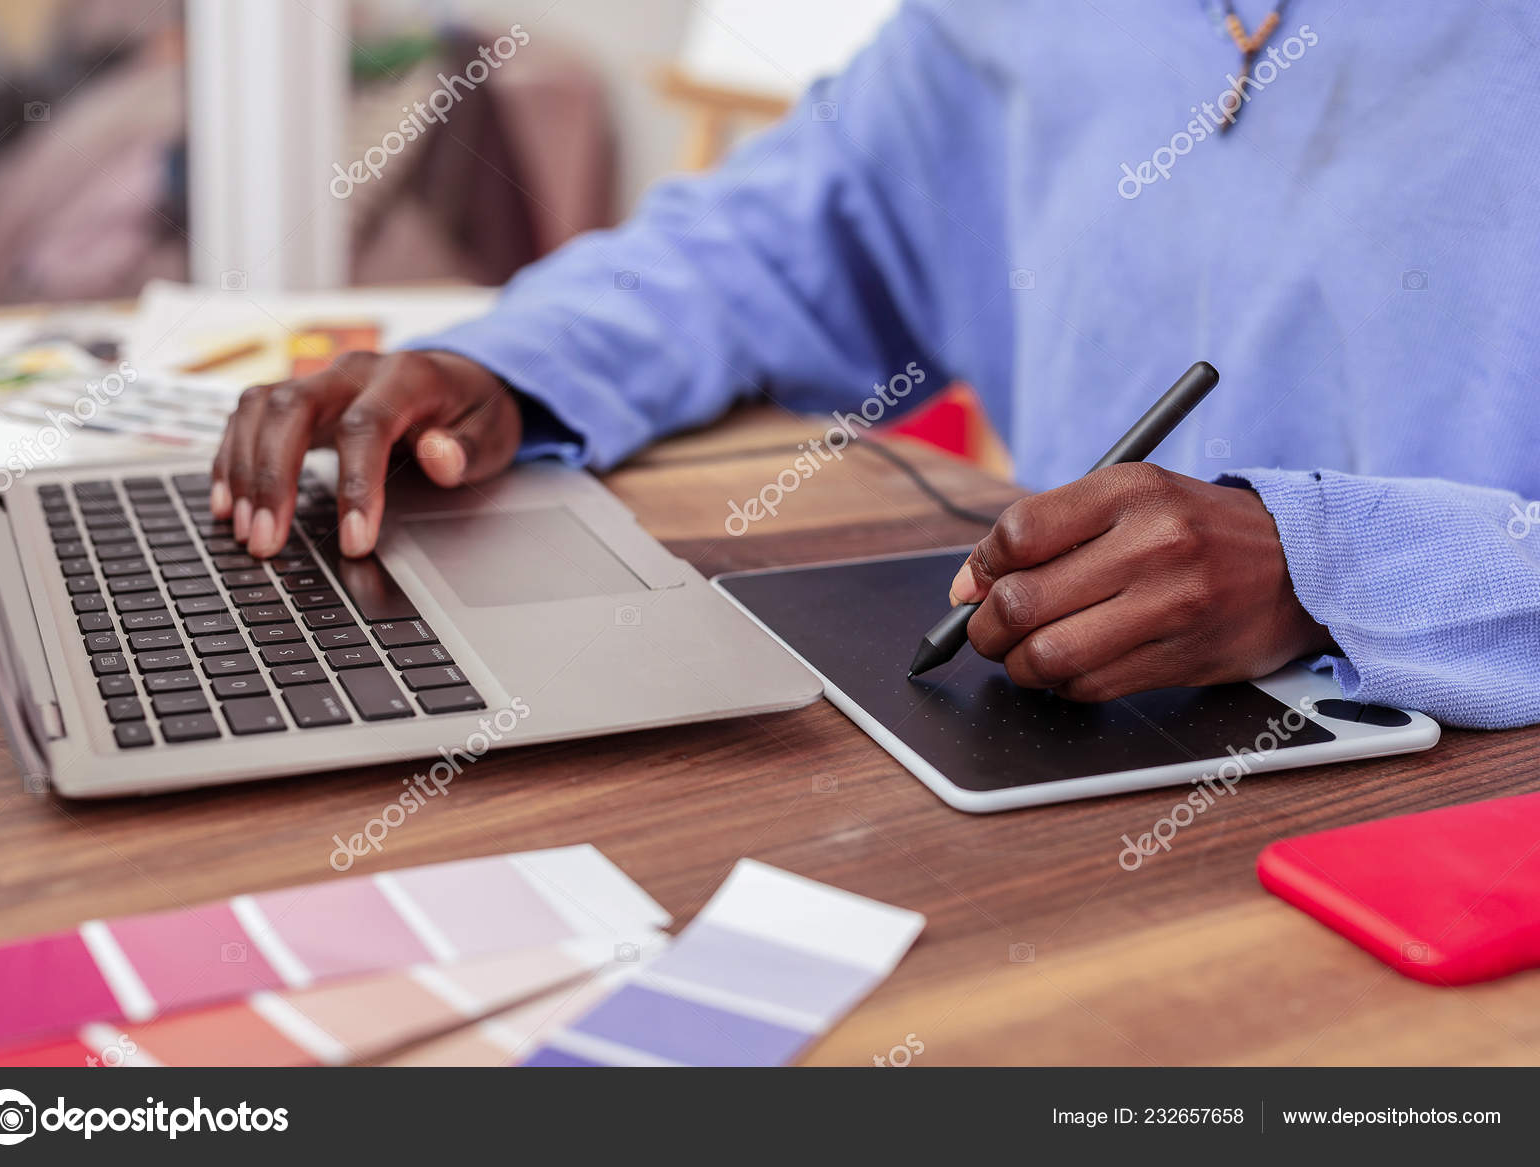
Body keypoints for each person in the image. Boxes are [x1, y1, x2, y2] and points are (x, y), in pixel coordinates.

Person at [211, 1, 1540, 729]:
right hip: (1069, 762)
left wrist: (1331, 570)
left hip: (1470, 823)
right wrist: (505, 366)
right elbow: (783, 229)